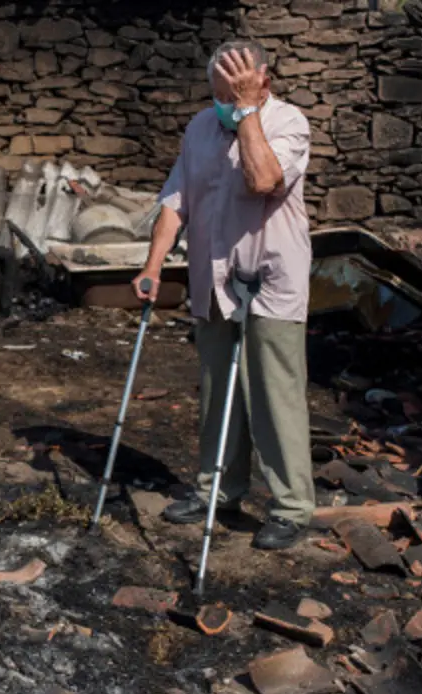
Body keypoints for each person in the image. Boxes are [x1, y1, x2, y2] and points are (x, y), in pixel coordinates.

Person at [132, 39, 315, 551]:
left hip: (270, 278)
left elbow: (263, 180)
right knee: (218, 395)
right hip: (212, 279)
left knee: (273, 395)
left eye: (233, 93)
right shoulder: (199, 127)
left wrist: (248, 112)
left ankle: (291, 507)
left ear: (264, 83)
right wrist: (152, 265)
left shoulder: (288, 123)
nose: (224, 105)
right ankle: (217, 490)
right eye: (219, 94)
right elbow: (176, 200)